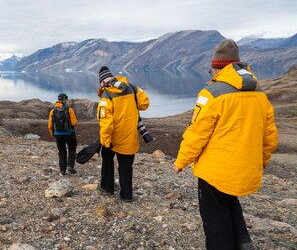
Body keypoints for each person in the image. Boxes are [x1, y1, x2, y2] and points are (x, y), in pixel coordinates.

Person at [173, 39, 278, 250]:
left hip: (215, 171)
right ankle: (243, 241)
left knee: (214, 218)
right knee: (230, 201)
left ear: (217, 68)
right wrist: (261, 162)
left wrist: (181, 161)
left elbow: (197, 133)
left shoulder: (211, 93)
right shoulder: (259, 92)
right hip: (244, 168)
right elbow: (269, 136)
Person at [96, 66, 150, 202]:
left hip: (113, 139)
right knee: (126, 167)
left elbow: (106, 123)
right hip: (129, 138)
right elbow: (144, 104)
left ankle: (107, 188)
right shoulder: (132, 88)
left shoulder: (106, 96)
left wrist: (105, 140)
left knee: (107, 162)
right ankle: (126, 195)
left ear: (102, 82)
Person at [48, 93, 78, 175]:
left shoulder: (52, 111)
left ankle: (62, 170)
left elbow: (50, 126)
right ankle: (70, 166)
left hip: (58, 135)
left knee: (62, 151)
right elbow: (74, 123)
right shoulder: (69, 110)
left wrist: (53, 135)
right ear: (65, 99)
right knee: (72, 149)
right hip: (69, 134)